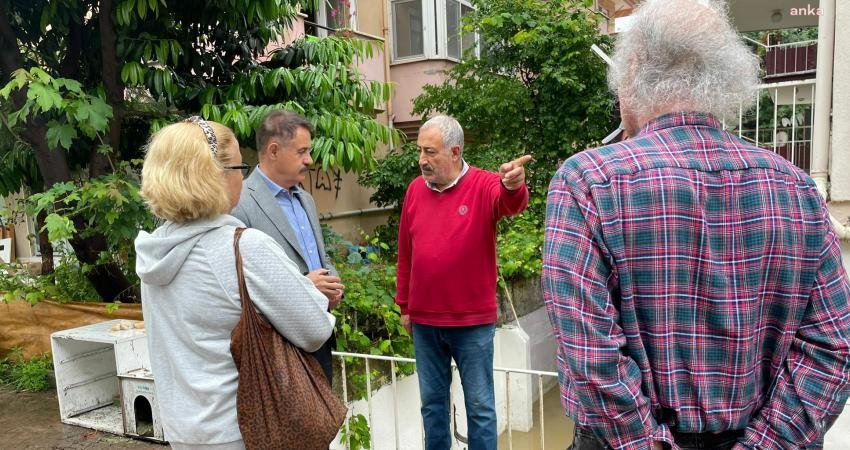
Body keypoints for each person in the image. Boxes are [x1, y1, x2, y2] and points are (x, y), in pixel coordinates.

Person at [542, 1, 850, 450]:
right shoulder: (797, 188)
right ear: (727, 76)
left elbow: (592, 358)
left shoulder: (588, 183)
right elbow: (832, 346)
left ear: (631, 76)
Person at [135, 117, 334, 449]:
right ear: (215, 176)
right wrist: (309, 293)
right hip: (241, 431)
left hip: (183, 430)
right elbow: (314, 330)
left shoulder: (153, 252)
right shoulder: (242, 247)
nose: (244, 176)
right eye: (240, 166)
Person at [396, 115, 530, 450]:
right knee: (432, 405)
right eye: (420, 151)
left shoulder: (484, 185)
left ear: (455, 152)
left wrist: (513, 184)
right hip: (425, 322)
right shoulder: (415, 191)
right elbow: (405, 254)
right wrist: (404, 307)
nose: (422, 160)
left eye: (430, 152)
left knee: (480, 407)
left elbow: (510, 202)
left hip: (471, 323)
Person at [231, 110, 343, 383]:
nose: (310, 160)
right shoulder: (240, 202)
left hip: (319, 336)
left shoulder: (306, 199)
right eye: (302, 152)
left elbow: (319, 256)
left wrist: (334, 283)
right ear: (273, 150)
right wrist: (304, 288)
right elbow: (239, 281)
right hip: (278, 350)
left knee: (325, 424)